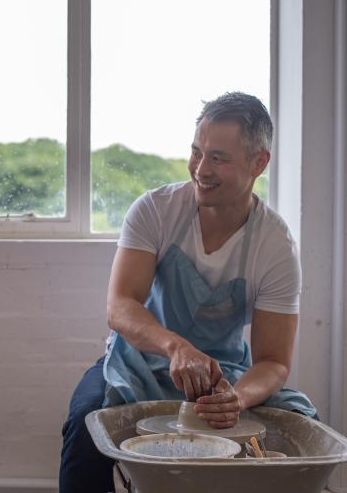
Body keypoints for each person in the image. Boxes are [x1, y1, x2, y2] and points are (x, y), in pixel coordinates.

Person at [59, 92, 317, 492]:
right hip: (137, 362)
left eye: (219, 158)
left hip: (225, 375)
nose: (201, 168)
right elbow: (120, 305)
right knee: (83, 425)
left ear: (259, 162)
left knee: (304, 426)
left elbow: (273, 361)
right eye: (197, 152)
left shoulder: (275, 245)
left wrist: (237, 398)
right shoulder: (155, 210)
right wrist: (176, 347)